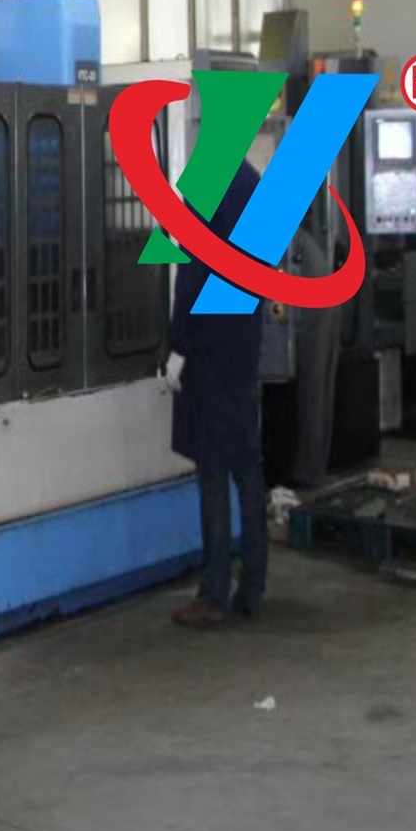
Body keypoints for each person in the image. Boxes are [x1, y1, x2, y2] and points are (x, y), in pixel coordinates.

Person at [165, 156, 268, 629]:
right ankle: (253, 585)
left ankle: (214, 593)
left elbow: (191, 272)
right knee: (246, 466)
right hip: (244, 340)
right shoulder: (254, 182)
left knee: (212, 471)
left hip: (208, 344)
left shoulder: (211, 180)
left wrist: (178, 345)